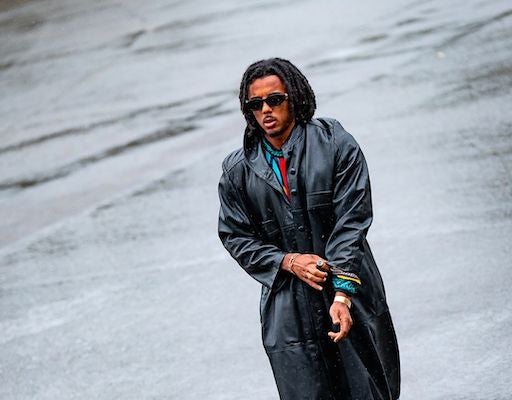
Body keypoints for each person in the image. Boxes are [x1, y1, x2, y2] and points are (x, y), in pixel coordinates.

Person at [217, 57, 400, 400]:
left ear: (295, 97)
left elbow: (352, 220)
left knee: (369, 390)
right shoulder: (237, 171)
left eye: (275, 100)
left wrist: (342, 293)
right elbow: (235, 236)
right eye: (255, 104)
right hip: (288, 310)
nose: (265, 110)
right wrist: (287, 261)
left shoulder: (335, 144)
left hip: (351, 294)